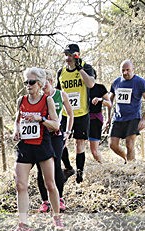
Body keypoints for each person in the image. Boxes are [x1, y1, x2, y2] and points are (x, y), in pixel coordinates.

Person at [9, 67, 63, 231]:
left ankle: (57, 218)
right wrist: (15, 131)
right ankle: (23, 225)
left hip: (42, 145)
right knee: (20, 185)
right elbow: (17, 120)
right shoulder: (21, 100)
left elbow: (56, 125)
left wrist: (41, 119)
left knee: (50, 184)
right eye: (26, 82)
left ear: (40, 84)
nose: (28, 85)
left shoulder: (48, 101)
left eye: (31, 82)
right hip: (25, 145)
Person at [57, 44, 96, 184]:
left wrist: (79, 68)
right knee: (61, 141)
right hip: (65, 113)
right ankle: (68, 167)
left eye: (70, 54)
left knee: (79, 143)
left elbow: (91, 84)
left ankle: (80, 172)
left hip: (81, 113)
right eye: (66, 54)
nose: (68, 58)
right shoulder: (61, 72)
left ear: (77, 54)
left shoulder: (86, 67)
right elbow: (57, 92)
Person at [36, 69, 74, 213]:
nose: (42, 88)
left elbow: (70, 114)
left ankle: (59, 198)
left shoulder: (60, 94)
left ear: (51, 82)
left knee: (56, 165)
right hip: (41, 135)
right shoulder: (38, 97)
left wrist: (68, 132)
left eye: (44, 85)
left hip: (57, 134)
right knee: (41, 167)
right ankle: (45, 201)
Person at [105, 60, 145, 162]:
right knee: (112, 145)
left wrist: (144, 119)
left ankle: (131, 167)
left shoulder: (140, 82)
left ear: (133, 70)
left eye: (127, 70)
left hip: (133, 117)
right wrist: (108, 117)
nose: (125, 72)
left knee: (129, 144)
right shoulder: (116, 82)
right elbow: (110, 100)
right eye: (123, 70)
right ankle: (127, 159)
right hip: (118, 118)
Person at [88, 74, 111, 163]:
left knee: (94, 150)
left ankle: (102, 166)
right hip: (82, 119)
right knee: (78, 145)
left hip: (95, 119)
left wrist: (100, 100)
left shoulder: (100, 88)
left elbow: (109, 104)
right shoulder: (81, 88)